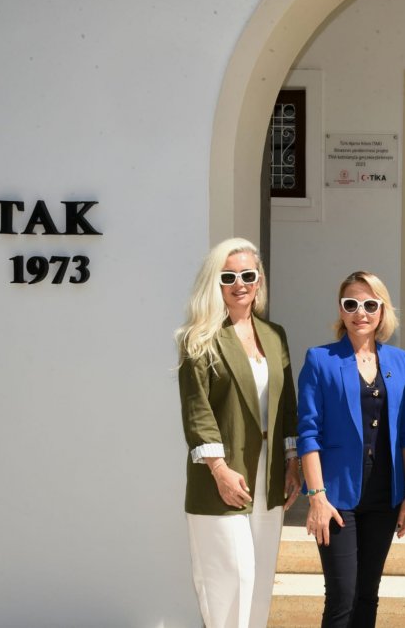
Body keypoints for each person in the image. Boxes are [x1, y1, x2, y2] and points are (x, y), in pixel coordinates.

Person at [176, 237, 300, 628]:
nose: (239, 284)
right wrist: (218, 469)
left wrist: (292, 460)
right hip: (222, 475)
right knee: (233, 578)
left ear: (259, 280)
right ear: (215, 282)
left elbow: (287, 405)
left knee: (260, 579)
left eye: (247, 275)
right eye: (228, 277)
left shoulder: (274, 335)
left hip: (269, 476)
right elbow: (197, 411)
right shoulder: (199, 337)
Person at [297, 271, 405, 628]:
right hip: (335, 497)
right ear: (341, 310)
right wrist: (317, 497)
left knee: (367, 594)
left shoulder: (401, 362)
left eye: (369, 304)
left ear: (382, 310)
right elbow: (308, 433)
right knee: (342, 597)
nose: (360, 312)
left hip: (385, 495)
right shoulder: (320, 359)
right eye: (351, 304)